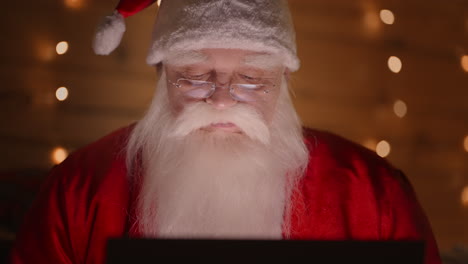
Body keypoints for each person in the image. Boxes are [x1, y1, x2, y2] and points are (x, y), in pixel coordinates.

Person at [10, 0, 442, 263]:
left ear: (284, 81)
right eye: (195, 75)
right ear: (162, 77)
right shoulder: (82, 189)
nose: (221, 100)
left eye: (252, 78)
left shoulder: (375, 194)